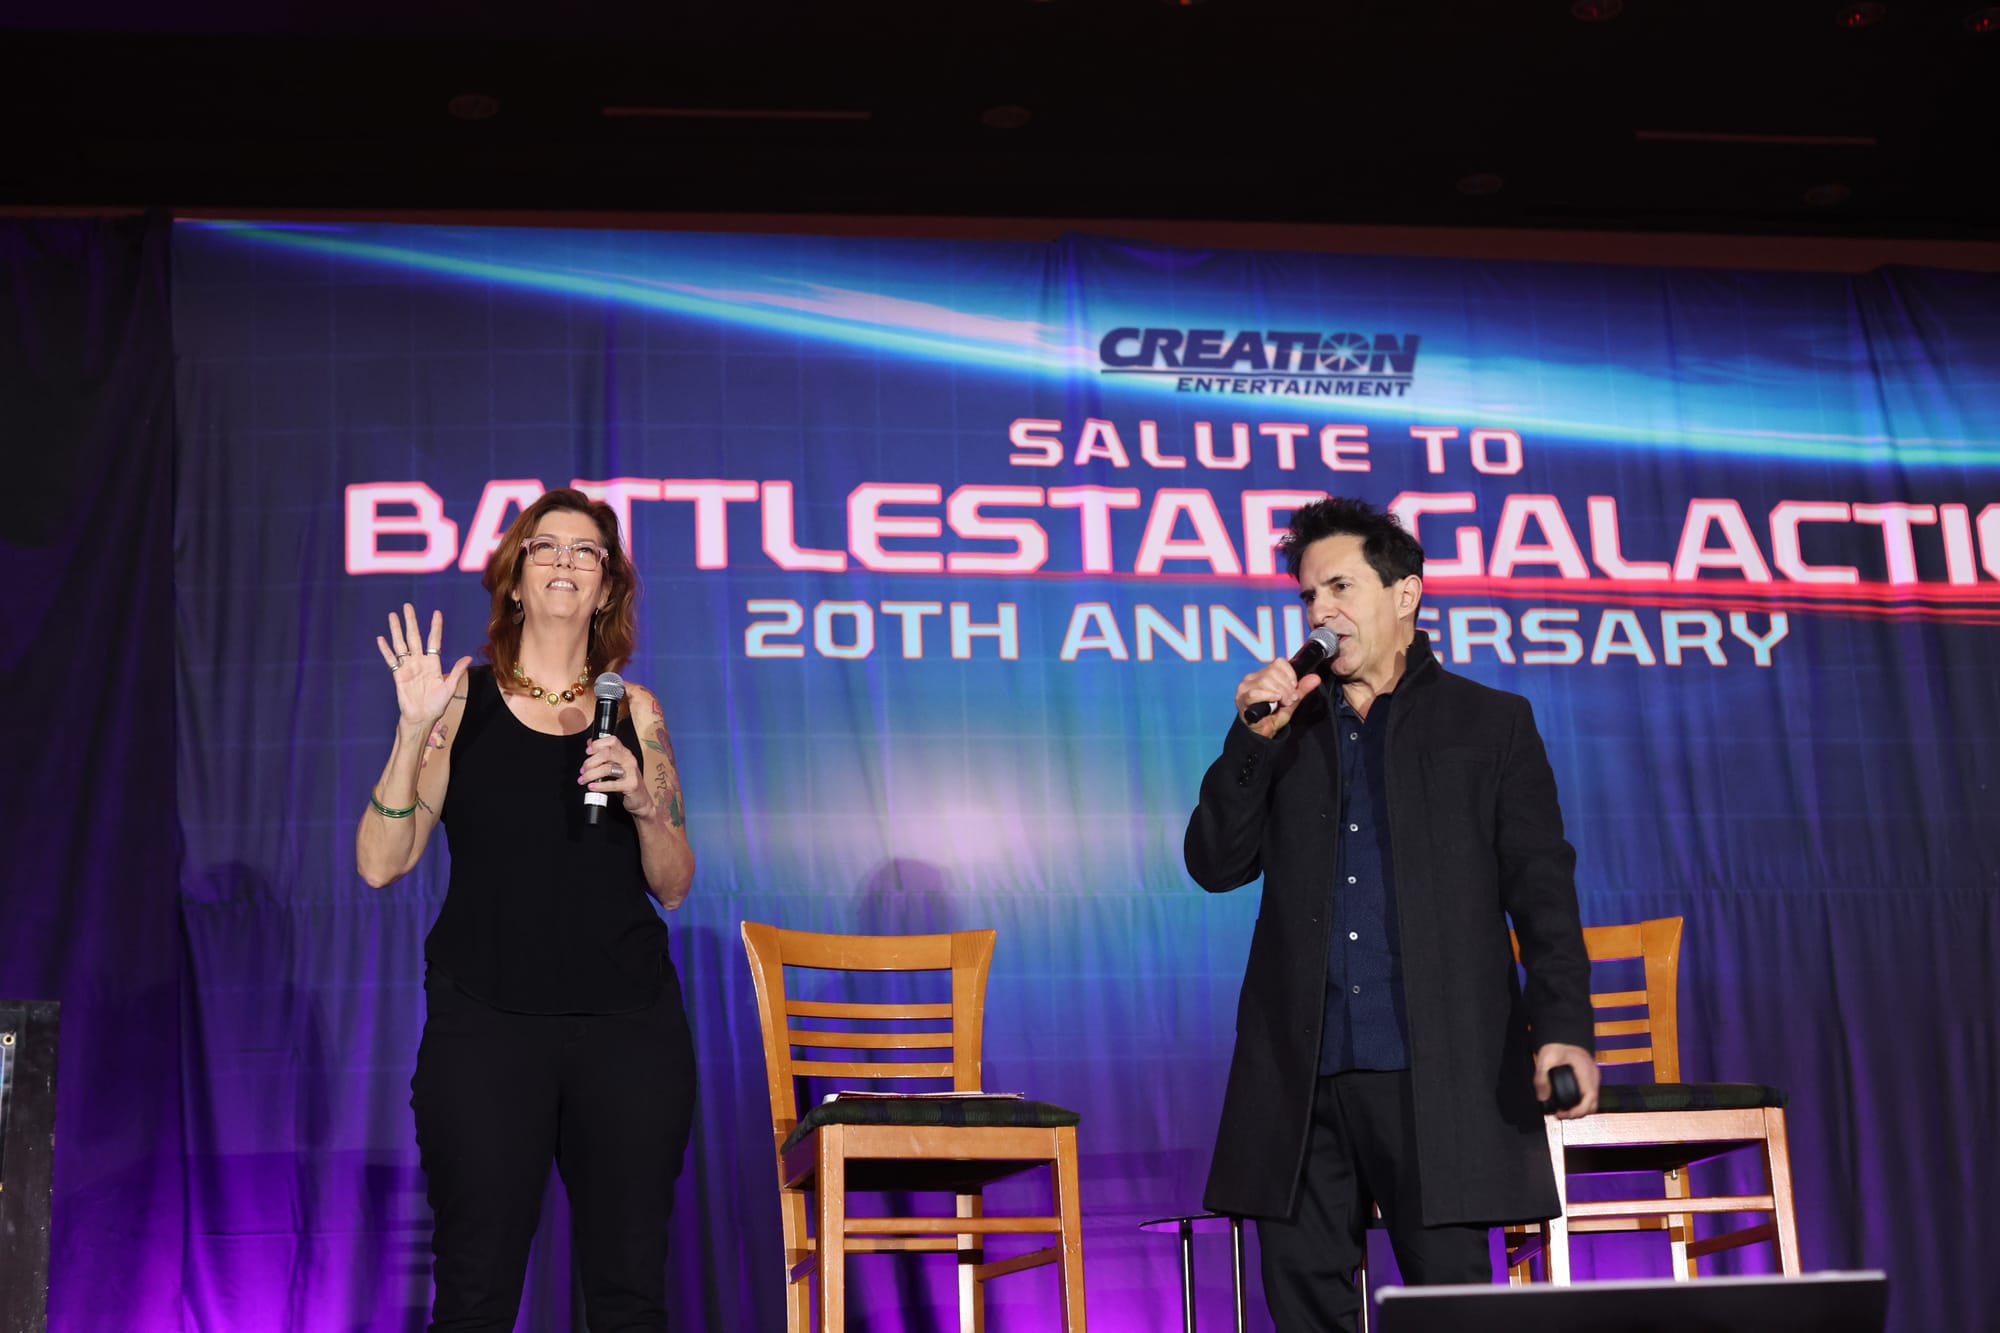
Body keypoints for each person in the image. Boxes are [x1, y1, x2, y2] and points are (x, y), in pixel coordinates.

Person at [1183, 497, 1600, 1332]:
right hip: (1301, 1071)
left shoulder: (1490, 724)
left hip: (1437, 1068)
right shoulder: (1286, 731)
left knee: (1451, 1302)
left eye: (1340, 586)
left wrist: (1562, 1023)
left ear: (1405, 593)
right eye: (1308, 595)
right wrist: (1251, 740)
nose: (1320, 611)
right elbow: (1214, 864)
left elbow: (1542, 891)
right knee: (1305, 1302)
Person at [355, 488, 697, 1333]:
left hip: (627, 1024)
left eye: (588, 553)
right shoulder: (458, 701)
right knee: (476, 1291)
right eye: (547, 547)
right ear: (514, 577)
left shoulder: (638, 712)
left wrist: (646, 803)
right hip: (489, 1024)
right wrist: (409, 734)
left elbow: (677, 882)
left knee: (629, 1294)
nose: (567, 563)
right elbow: (378, 862)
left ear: (608, 588)